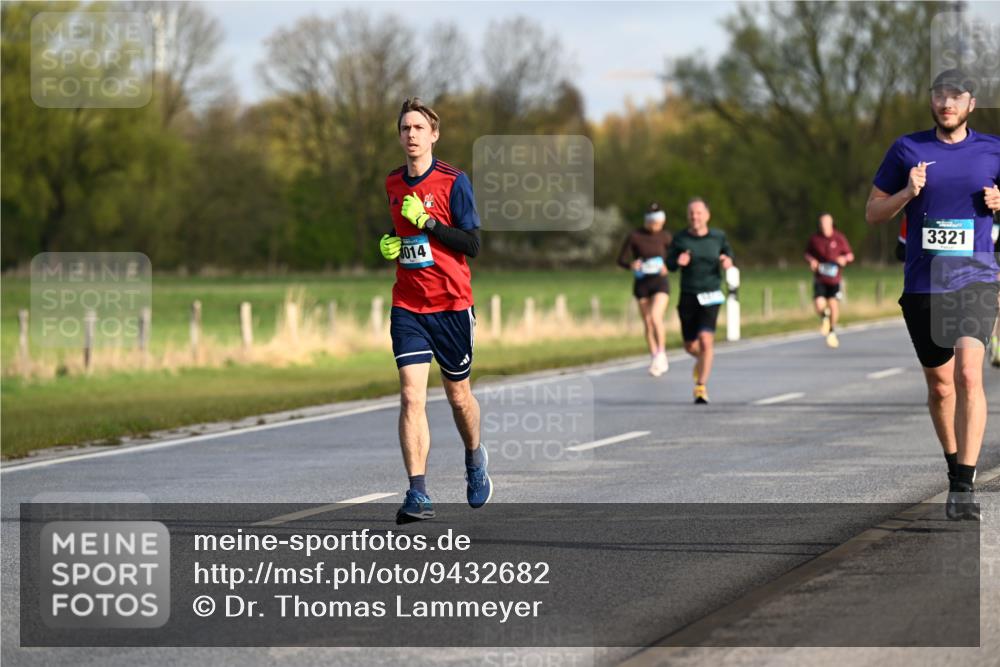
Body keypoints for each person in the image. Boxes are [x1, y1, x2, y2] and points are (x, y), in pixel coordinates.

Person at [865, 69, 1000, 521]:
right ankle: (952, 467)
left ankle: (964, 485)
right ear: (931, 101)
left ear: (970, 104)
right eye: (940, 95)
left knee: (968, 377)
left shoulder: (992, 150)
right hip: (924, 284)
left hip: (976, 278)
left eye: (956, 96)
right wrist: (908, 190)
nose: (947, 103)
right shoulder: (908, 149)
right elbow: (872, 213)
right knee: (941, 387)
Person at [378, 97, 492, 524]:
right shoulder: (392, 183)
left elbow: (472, 245)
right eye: (405, 128)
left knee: (458, 397)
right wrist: (390, 242)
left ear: (434, 135)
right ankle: (418, 492)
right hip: (408, 304)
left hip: (451, 304)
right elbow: (401, 232)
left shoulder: (453, 181)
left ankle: (474, 456)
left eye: (419, 128)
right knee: (411, 396)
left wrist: (427, 223)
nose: (411, 135)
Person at [666, 198, 735, 404]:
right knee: (690, 345)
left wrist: (726, 261)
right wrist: (678, 262)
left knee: (706, 339)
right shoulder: (680, 239)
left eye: (698, 213)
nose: (695, 217)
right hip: (688, 295)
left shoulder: (718, 237)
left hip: (711, 294)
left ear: (707, 215)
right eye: (691, 214)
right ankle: (704, 359)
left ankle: (700, 386)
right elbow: (669, 264)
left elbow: (728, 255)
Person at [617, 203, 673, 376]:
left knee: (656, 316)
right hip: (642, 283)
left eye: (660, 222)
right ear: (648, 222)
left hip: (660, 282)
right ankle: (655, 357)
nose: (658, 225)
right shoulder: (635, 236)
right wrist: (631, 265)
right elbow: (621, 259)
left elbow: (675, 256)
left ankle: (662, 353)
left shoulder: (666, 236)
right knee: (648, 322)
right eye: (655, 222)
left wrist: (668, 266)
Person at [804, 213, 855, 348]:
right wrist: (812, 261)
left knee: (833, 305)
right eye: (821, 224)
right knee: (819, 303)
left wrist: (843, 260)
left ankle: (832, 331)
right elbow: (807, 254)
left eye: (826, 224)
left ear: (831, 224)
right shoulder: (815, 239)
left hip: (834, 278)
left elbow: (850, 255)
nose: (824, 227)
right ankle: (824, 317)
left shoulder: (839, 238)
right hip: (820, 277)